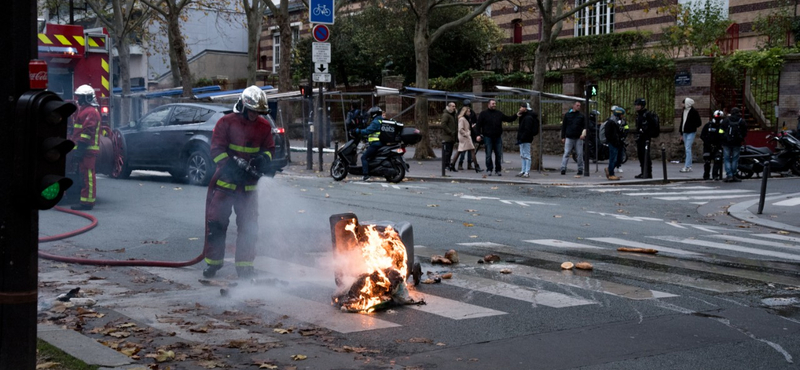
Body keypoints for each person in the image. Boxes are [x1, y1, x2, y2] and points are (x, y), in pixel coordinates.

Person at [202, 86, 275, 279]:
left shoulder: (264, 126)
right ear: (243, 106)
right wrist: (230, 167)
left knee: (249, 228)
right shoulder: (226, 122)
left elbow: (270, 149)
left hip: (249, 188)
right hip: (225, 184)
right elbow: (216, 149)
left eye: (257, 112)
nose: (254, 115)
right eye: (251, 111)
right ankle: (213, 264)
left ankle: (244, 267)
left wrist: (264, 159)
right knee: (216, 224)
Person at [69, 84, 101, 211]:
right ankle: (84, 200)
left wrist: (80, 150)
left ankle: (87, 203)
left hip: (87, 151)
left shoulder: (90, 112)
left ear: (87, 98)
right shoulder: (85, 110)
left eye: (81, 97)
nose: (78, 99)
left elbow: (87, 133)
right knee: (84, 176)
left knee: (88, 177)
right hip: (85, 150)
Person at [476, 99, 517, 176]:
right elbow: (478, 125)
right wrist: (478, 135)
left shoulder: (499, 114)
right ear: (488, 104)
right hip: (488, 137)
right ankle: (489, 169)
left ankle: (498, 170)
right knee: (488, 154)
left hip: (497, 137)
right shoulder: (483, 114)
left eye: (495, 103)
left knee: (498, 155)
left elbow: (508, 119)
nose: (494, 105)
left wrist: (516, 115)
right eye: (492, 103)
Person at [352, 106, 385, 181]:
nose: (370, 115)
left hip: (375, 144)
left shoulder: (375, 122)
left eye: (371, 114)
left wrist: (358, 131)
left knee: (364, 157)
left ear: (374, 114)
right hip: (380, 143)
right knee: (370, 157)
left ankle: (366, 175)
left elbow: (368, 131)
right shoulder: (382, 120)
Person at [450, 106, 481, 173]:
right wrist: (467, 134)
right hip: (465, 137)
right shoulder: (462, 119)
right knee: (472, 150)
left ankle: (452, 165)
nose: (469, 112)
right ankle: (476, 166)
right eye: (468, 111)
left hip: (464, 137)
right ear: (465, 112)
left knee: (459, 151)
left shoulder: (466, 118)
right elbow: (460, 129)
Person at [721, 107, 747, 182]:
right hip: (737, 143)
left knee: (726, 159)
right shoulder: (741, 121)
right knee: (735, 159)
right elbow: (745, 132)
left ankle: (729, 175)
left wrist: (723, 137)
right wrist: (741, 138)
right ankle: (734, 174)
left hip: (726, 142)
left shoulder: (726, 120)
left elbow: (720, 130)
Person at [560, 101, 586, 175]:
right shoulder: (568, 115)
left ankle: (580, 169)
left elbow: (585, 126)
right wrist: (563, 137)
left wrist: (583, 134)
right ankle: (563, 168)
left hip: (578, 137)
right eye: (577, 105)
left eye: (579, 106)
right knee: (566, 153)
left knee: (580, 154)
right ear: (574, 106)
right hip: (569, 137)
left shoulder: (581, 116)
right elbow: (564, 126)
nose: (579, 107)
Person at [633, 98, 656, 179]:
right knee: (640, 155)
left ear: (642, 106)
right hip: (640, 137)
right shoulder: (639, 114)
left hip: (645, 138)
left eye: (638, 105)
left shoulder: (647, 114)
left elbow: (652, 125)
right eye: (636, 105)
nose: (636, 107)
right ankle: (643, 172)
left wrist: (646, 132)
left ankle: (648, 173)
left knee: (645, 155)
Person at [679, 97, 702, 173]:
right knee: (687, 149)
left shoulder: (694, 112)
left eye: (683, 103)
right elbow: (682, 122)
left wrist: (691, 126)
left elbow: (699, 123)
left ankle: (687, 166)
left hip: (691, 132)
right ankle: (688, 165)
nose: (682, 104)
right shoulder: (684, 111)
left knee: (688, 148)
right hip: (685, 132)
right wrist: (681, 133)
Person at [604, 106, 626, 181]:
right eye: (622, 114)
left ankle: (609, 169)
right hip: (613, 143)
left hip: (619, 142)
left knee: (619, 159)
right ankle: (611, 174)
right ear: (618, 114)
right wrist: (613, 140)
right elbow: (608, 133)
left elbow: (623, 130)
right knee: (613, 158)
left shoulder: (620, 121)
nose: (623, 116)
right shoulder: (611, 122)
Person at [516, 102, 538, 178]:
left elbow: (527, 129)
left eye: (521, 107)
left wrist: (521, 138)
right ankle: (523, 170)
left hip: (526, 139)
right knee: (523, 155)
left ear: (525, 108)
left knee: (526, 155)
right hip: (523, 138)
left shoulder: (528, 117)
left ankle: (526, 171)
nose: (520, 109)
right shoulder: (525, 116)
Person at [701, 110, 725, 180]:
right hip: (708, 147)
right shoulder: (708, 125)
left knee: (717, 160)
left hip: (717, 147)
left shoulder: (721, 127)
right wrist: (708, 143)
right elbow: (702, 136)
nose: (718, 120)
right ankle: (706, 176)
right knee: (707, 161)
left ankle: (715, 175)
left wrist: (720, 144)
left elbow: (722, 136)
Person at [456, 99, 479, 170]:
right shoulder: (462, 116)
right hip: (466, 135)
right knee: (463, 150)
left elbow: (475, 121)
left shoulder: (470, 113)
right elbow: (460, 128)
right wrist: (467, 133)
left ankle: (470, 164)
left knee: (469, 150)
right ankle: (461, 163)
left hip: (469, 134)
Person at [441, 102, 458, 172]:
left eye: (454, 106)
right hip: (447, 137)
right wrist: (450, 132)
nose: (454, 108)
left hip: (451, 137)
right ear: (449, 107)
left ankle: (448, 165)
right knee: (447, 152)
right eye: (452, 106)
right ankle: (446, 165)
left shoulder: (452, 115)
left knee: (450, 152)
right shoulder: (446, 115)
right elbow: (443, 124)